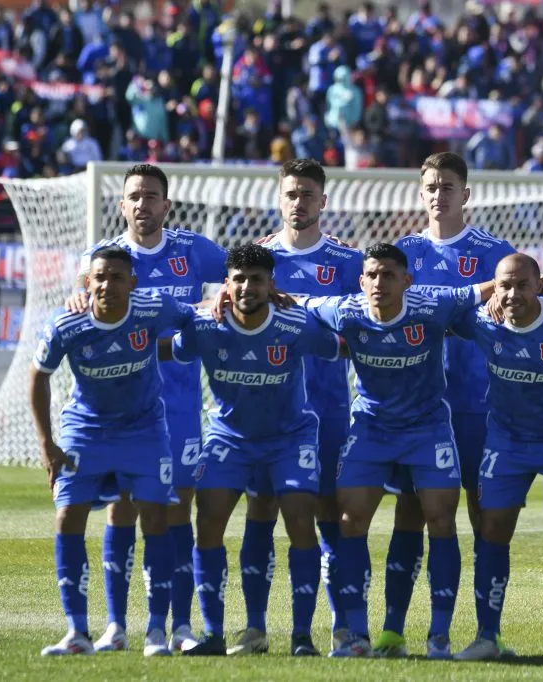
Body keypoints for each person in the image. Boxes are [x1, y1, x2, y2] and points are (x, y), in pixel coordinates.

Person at [379, 152, 543, 656]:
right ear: (421, 193)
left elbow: (533, 286)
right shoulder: (402, 253)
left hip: (482, 409)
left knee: (487, 519)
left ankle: (488, 632)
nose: (439, 194)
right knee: (411, 514)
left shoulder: (494, 252)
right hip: (418, 410)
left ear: (466, 194)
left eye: (448, 186)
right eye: (431, 186)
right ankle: (395, 631)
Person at [304, 242, 497, 659]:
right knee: (349, 519)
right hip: (371, 428)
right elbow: (298, 301)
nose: (379, 283)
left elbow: (486, 287)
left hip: (428, 429)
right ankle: (356, 635)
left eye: (389, 275)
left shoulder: (431, 305)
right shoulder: (345, 310)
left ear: (407, 281)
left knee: (441, 520)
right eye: (371, 275)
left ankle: (439, 637)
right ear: (361, 281)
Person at [66, 164, 228, 653]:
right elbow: (80, 291)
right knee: (121, 513)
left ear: (166, 204)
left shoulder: (193, 250)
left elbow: (241, 274)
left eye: (151, 196)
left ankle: (178, 627)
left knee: (177, 513)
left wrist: (222, 294)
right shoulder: (105, 259)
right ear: (122, 205)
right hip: (123, 413)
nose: (142, 204)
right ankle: (117, 626)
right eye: (133, 196)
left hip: (178, 408)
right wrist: (78, 293)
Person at [217, 160, 363, 656]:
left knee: (329, 511)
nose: (298, 202)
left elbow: (356, 335)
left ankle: (341, 627)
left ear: (323, 201)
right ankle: (255, 627)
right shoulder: (255, 261)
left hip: (328, 408)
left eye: (307, 194)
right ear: (279, 199)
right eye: (290, 194)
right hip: (267, 412)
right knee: (262, 506)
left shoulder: (348, 263)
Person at [168, 244, 342, 657]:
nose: (248, 287)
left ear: (271, 285)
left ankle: (302, 636)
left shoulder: (295, 323)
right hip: (230, 438)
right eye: (239, 279)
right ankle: (214, 633)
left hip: (290, 437)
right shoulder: (204, 324)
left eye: (257, 280)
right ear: (226, 285)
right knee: (208, 521)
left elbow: (338, 346)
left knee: (301, 520)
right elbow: (173, 341)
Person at [32, 246, 197, 656]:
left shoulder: (152, 308)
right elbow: (38, 376)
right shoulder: (67, 323)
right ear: (88, 282)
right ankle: (77, 632)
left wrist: (178, 348)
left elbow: (194, 317)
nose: (107, 284)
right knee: (68, 513)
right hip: (86, 429)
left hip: (144, 430)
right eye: (99, 277)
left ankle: (156, 630)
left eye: (117, 277)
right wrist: (47, 444)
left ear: (133, 283)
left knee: (156, 516)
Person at [449, 254, 543, 660]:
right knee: (492, 530)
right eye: (504, 286)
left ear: (538, 287)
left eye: (522, 285)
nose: (512, 294)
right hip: (507, 441)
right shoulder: (481, 319)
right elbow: (436, 308)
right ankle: (486, 637)